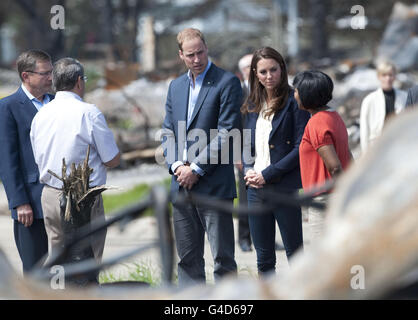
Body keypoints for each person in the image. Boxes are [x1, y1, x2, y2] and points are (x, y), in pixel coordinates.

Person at [161, 28, 242, 285]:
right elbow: (167, 131)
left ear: (207, 48)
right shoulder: (176, 86)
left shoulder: (226, 82)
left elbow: (228, 131)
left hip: (214, 184)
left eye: (201, 52)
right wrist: (177, 166)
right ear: (181, 56)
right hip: (180, 183)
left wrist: (195, 168)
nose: (197, 59)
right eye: (191, 55)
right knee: (187, 259)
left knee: (223, 258)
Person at [30, 57, 120, 266]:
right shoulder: (89, 113)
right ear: (79, 81)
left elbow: (38, 158)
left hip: (50, 194)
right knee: (89, 259)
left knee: (57, 259)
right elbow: (111, 159)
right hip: (84, 197)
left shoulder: (40, 115)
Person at [242, 47, 310, 276]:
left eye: (273, 69)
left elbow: (302, 146)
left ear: (282, 69)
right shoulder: (252, 104)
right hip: (255, 189)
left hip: (283, 186)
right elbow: (246, 142)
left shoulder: (294, 101)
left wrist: (268, 174)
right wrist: (249, 169)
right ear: (255, 74)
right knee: (263, 259)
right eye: (263, 72)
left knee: (295, 255)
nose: (269, 76)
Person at [0, 49, 53, 273]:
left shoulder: (59, 103)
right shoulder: (8, 107)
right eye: (45, 74)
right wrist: (19, 202)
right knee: (36, 270)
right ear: (26, 76)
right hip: (31, 203)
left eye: (52, 72)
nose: (51, 78)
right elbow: (7, 158)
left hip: (63, 201)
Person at [293, 70, 351, 240]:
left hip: (324, 200)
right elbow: (347, 155)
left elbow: (334, 166)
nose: (294, 95)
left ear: (307, 94)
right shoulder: (334, 116)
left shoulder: (316, 123)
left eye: (296, 91)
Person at [360, 60, 407, 152]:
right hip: (377, 148)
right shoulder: (370, 100)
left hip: (399, 145)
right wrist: (365, 153)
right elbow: (364, 130)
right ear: (379, 77)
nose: (388, 78)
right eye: (384, 75)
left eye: (390, 75)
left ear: (395, 76)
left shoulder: (404, 97)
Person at [236, 53, 253, 252]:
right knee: (244, 197)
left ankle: (263, 237)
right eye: (249, 66)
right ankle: (244, 237)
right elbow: (233, 125)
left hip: (265, 151)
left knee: (267, 197)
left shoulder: (267, 91)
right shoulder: (238, 93)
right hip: (244, 151)